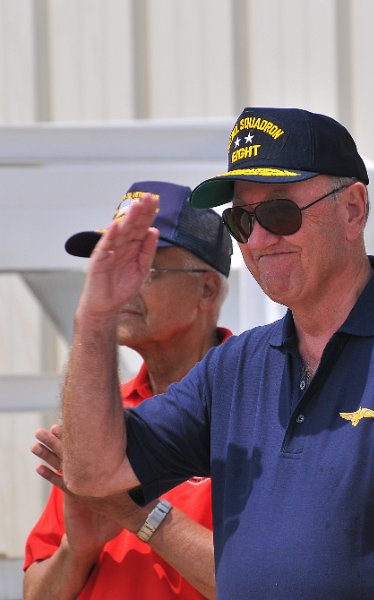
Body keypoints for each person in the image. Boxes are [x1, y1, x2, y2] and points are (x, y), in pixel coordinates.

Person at [56, 108, 374, 599]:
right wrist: (95, 317)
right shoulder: (233, 370)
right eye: (242, 220)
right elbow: (94, 473)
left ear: (353, 210)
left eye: (280, 213)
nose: (259, 240)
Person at [24, 181, 233, 600]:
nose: (122, 284)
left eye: (144, 267)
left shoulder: (260, 404)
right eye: (115, 266)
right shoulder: (101, 415)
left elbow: (271, 585)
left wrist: (136, 512)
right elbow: (34, 594)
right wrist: (77, 552)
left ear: (207, 289)